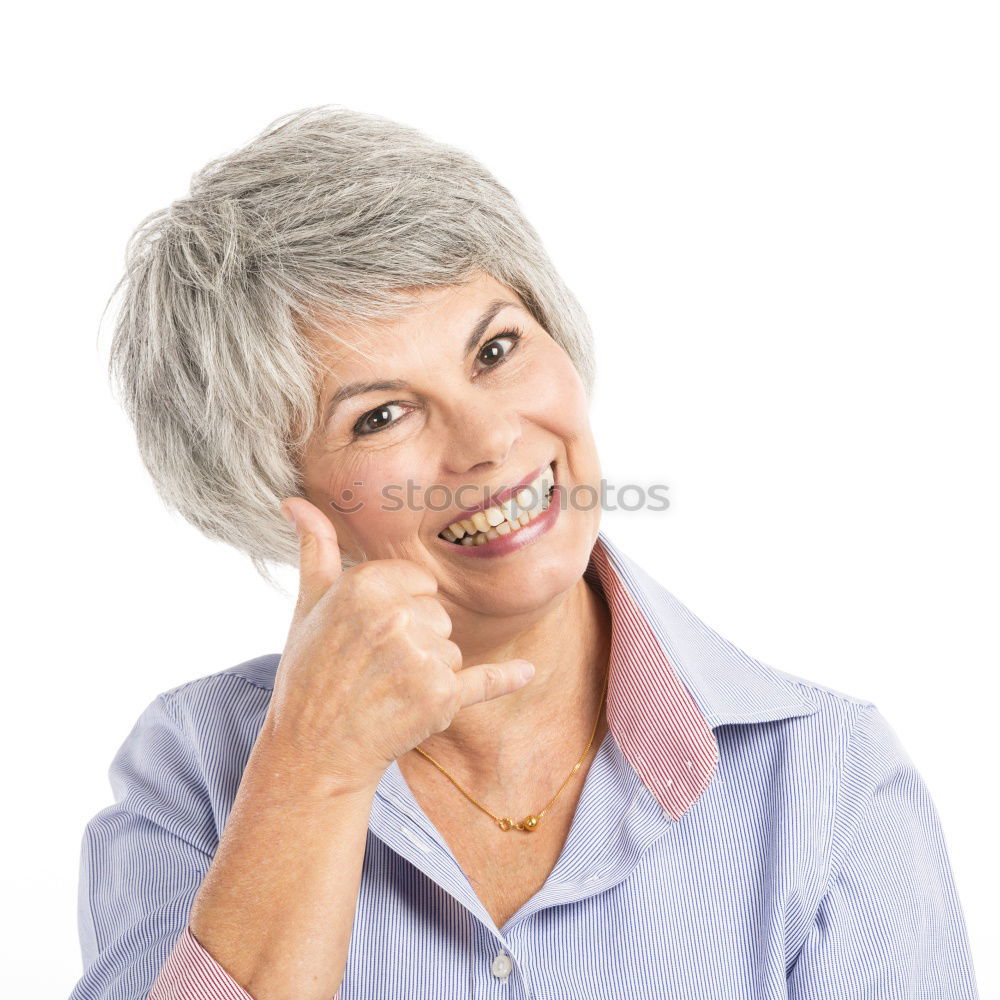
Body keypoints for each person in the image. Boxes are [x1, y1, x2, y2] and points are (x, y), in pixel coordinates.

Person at [70, 105, 980, 1000]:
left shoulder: (827, 779)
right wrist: (315, 776)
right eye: (382, 415)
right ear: (276, 500)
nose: (488, 441)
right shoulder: (194, 774)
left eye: (495, 349)